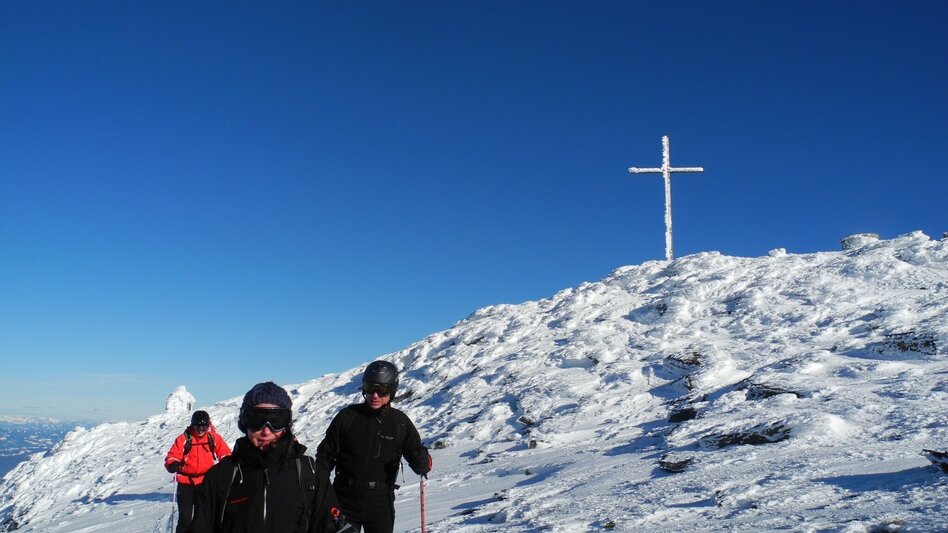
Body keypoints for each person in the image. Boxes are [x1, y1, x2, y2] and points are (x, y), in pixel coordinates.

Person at [190, 382, 352, 533]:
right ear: (244, 422)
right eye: (256, 420)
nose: (266, 431)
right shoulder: (221, 475)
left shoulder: (310, 474)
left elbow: (328, 525)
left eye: (276, 420)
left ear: (287, 424)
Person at [316, 361, 432, 533]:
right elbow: (325, 457)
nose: (375, 395)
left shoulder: (399, 422)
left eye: (382, 390)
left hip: (380, 503)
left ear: (392, 391)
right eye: (370, 388)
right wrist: (319, 490)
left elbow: (418, 456)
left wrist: (421, 461)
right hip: (344, 500)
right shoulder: (347, 417)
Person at [165, 410, 231, 533]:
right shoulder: (184, 438)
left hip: (205, 482)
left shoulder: (213, 438)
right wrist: (172, 463)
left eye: (203, 427)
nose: (200, 430)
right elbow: (172, 456)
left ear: (208, 426)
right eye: (197, 427)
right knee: (185, 519)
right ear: (192, 425)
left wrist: (227, 464)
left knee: (202, 518)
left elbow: (225, 453)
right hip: (186, 484)